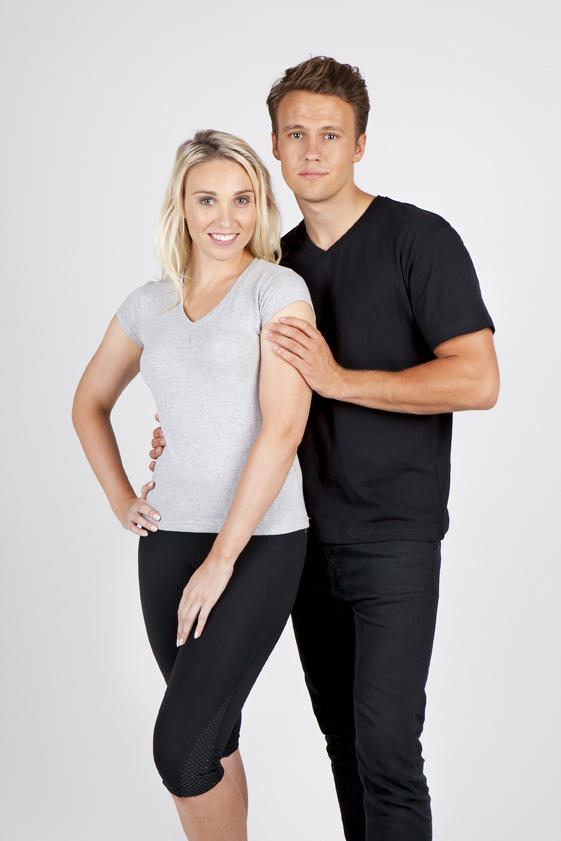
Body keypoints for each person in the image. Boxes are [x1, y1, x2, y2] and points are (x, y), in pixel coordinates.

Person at [150, 58, 500, 841]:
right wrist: (183, 427)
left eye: (330, 135)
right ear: (274, 145)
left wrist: (340, 379)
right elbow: (247, 399)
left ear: (360, 144)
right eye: (296, 134)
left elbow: (478, 379)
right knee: (343, 742)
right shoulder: (269, 267)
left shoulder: (418, 240)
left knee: (387, 749)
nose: (312, 150)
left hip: (393, 537)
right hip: (298, 540)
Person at [72, 129, 315, 841]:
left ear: (259, 206)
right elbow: (88, 402)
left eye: (242, 199)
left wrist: (221, 560)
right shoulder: (148, 304)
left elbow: (282, 431)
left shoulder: (276, 290)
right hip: (168, 539)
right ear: (180, 205)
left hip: (259, 541)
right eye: (206, 199)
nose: (225, 217)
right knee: (212, 733)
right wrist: (123, 498)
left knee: (179, 749)